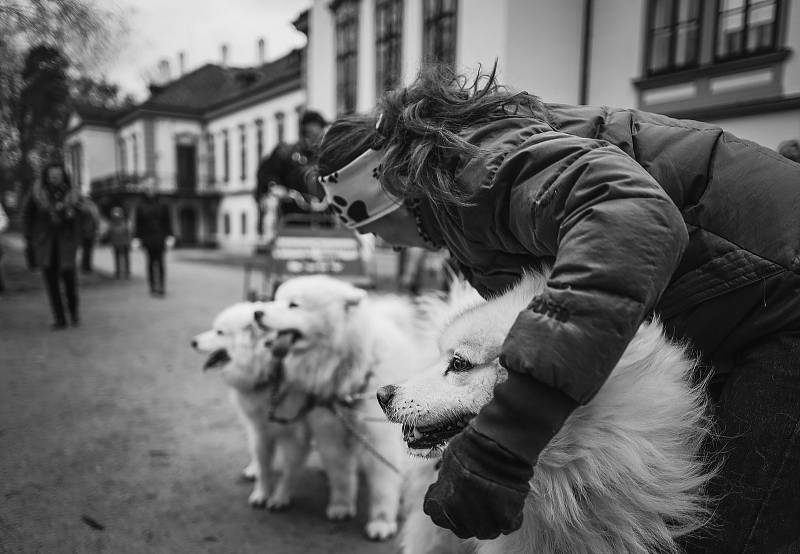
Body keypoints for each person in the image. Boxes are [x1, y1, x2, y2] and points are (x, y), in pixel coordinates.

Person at [313, 66, 800, 553]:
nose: (376, 242)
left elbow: (633, 221)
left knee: (736, 533)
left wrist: (504, 441)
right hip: (749, 303)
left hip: (784, 302)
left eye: (367, 225)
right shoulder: (468, 188)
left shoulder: (480, 170)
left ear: (386, 192)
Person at [23, 163, 84, 329]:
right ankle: (60, 318)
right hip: (46, 244)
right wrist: (29, 238)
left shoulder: (73, 195)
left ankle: (74, 313)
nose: (54, 179)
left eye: (57, 175)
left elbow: (83, 216)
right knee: (51, 283)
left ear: (64, 176)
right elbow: (28, 215)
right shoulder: (37, 194)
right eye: (51, 176)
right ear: (46, 177)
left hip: (66, 243)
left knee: (70, 281)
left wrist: (71, 215)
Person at [133, 182, 173, 296]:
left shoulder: (163, 204)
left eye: (152, 188)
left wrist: (170, 236)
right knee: (150, 263)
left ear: (156, 189)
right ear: (145, 190)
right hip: (147, 238)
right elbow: (138, 224)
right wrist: (136, 238)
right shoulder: (140, 206)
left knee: (160, 263)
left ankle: (161, 286)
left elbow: (167, 221)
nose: (150, 190)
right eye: (148, 188)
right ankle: (152, 286)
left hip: (160, 237)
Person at [107, 206, 131, 279]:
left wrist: (128, 241)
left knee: (125, 257)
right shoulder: (112, 224)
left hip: (124, 242)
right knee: (118, 257)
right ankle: (118, 272)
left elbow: (128, 233)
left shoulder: (124, 222)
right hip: (117, 242)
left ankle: (126, 272)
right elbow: (110, 233)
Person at [79, 195, 100, 273]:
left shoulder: (90, 209)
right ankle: (85, 267)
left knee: (88, 251)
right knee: (86, 251)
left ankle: (87, 267)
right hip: (86, 233)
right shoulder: (87, 209)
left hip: (90, 233)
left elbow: (95, 222)